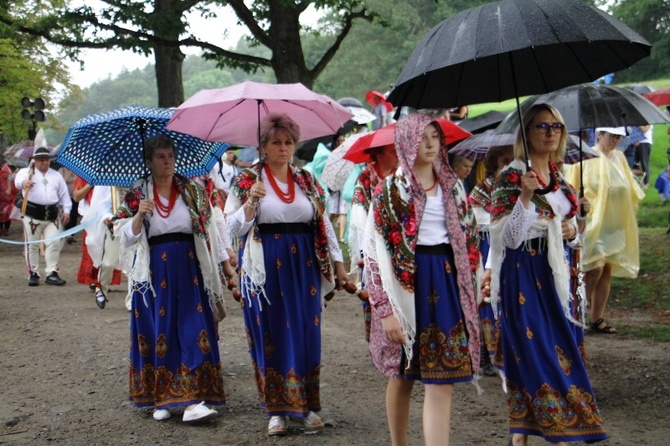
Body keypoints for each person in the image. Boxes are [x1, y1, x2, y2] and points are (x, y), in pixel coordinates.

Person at [489, 104, 608, 445]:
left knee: (565, 350)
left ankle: (522, 436)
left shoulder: (560, 177)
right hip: (524, 273)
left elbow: (570, 229)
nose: (551, 132)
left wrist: (574, 228)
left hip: (561, 278)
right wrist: (525, 197)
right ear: (526, 132)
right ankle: (564, 434)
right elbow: (506, 238)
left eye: (556, 126)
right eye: (542, 126)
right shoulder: (511, 177)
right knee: (537, 353)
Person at [225, 113, 348, 436]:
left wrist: (338, 264)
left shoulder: (306, 180)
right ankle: (277, 409)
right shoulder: (246, 181)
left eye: (288, 142)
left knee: (307, 332)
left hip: (303, 265)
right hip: (264, 270)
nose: (283, 148)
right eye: (276, 142)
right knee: (270, 333)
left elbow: (323, 226)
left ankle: (306, 405)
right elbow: (230, 229)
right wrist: (250, 204)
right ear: (263, 147)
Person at [364, 113, 481, 446]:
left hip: (446, 281)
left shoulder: (453, 187)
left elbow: (470, 240)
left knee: (442, 379)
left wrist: (471, 289)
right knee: (403, 375)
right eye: (421, 137)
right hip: (405, 288)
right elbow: (373, 254)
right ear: (405, 142)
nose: (430, 144)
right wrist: (385, 310)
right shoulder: (389, 192)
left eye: (435, 137)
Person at [112, 134, 225, 423]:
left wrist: (223, 261)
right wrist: (138, 215)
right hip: (153, 272)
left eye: (170, 156)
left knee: (192, 328)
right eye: (160, 157)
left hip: (189, 265)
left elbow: (209, 227)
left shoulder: (191, 190)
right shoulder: (138, 193)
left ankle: (190, 401)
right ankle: (160, 397)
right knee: (158, 332)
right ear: (148, 162)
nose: (167, 162)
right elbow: (125, 238)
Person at [566, 127, 644, 335]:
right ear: (599, 134)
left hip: (614, 223)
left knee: (607, 267)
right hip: (592, 222)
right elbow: (571, 188)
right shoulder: (586, 158)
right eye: (612, 136)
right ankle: (577, 311)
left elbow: (630, 188)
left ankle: (597, 317)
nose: (616, 141)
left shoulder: (619, 158)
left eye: (619, 137)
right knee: (594, 266)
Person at [468, 144, 514, 378]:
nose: (508, 166)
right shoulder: (481, 193)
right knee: (486, 299)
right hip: (486, 249)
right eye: (504, 161)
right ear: (494, 164)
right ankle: (486, 353)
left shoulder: (518, 188)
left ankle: (508, 353)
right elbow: (484, 224)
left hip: (511, 250)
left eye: (512, 160)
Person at [349, 144, 399, 342]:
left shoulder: (400, 176)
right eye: (392, 152)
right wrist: (365, 249)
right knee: (375, 292)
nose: (397, 156)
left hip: (397, 242)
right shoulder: (365, 179)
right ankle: (378, 340)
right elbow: (359, 214)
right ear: (378, 156)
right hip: (372, 242)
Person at [15, 147, 71, 287]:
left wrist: (67, 211)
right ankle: (33, 272)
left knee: (54, 243)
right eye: (41, 160)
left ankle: (52, 272)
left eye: (46, 160)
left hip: (52, 216)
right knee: (31, 245)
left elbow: (64, 194)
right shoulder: (26, 173)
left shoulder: (56, 175)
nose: (44, 162)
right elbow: (18, 181)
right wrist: (24, 183)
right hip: (32, 215)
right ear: (35, 160)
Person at [0, 163, 19, 236]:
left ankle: (6, 229)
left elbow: (16, 190)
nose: (5, 174)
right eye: (4, 173)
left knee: (8, 217)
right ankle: (1, 228)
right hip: (1, 202)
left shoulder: (11, 181)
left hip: (9, 202)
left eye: (7, 173)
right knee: (1, 216)